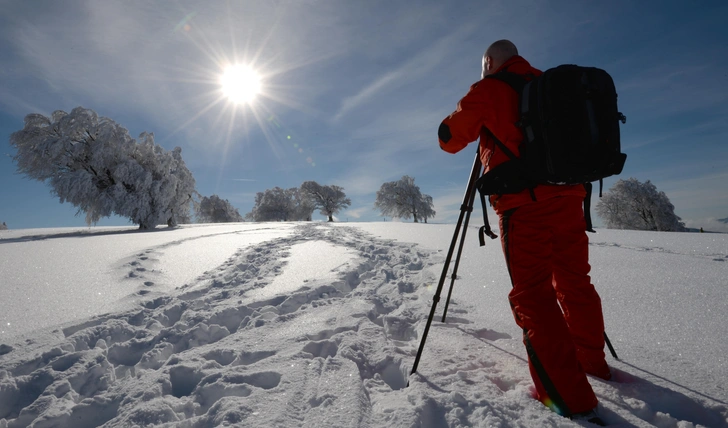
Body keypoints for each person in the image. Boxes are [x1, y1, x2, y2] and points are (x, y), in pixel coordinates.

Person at [438, 40, 610, 425]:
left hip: (524, 206)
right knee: (575, 281)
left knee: (533, 295)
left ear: (488, 63)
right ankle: (591, 361)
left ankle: (569, 399)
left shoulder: (488, 90)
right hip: (570, 199)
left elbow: (449, 140)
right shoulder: (551, 85)